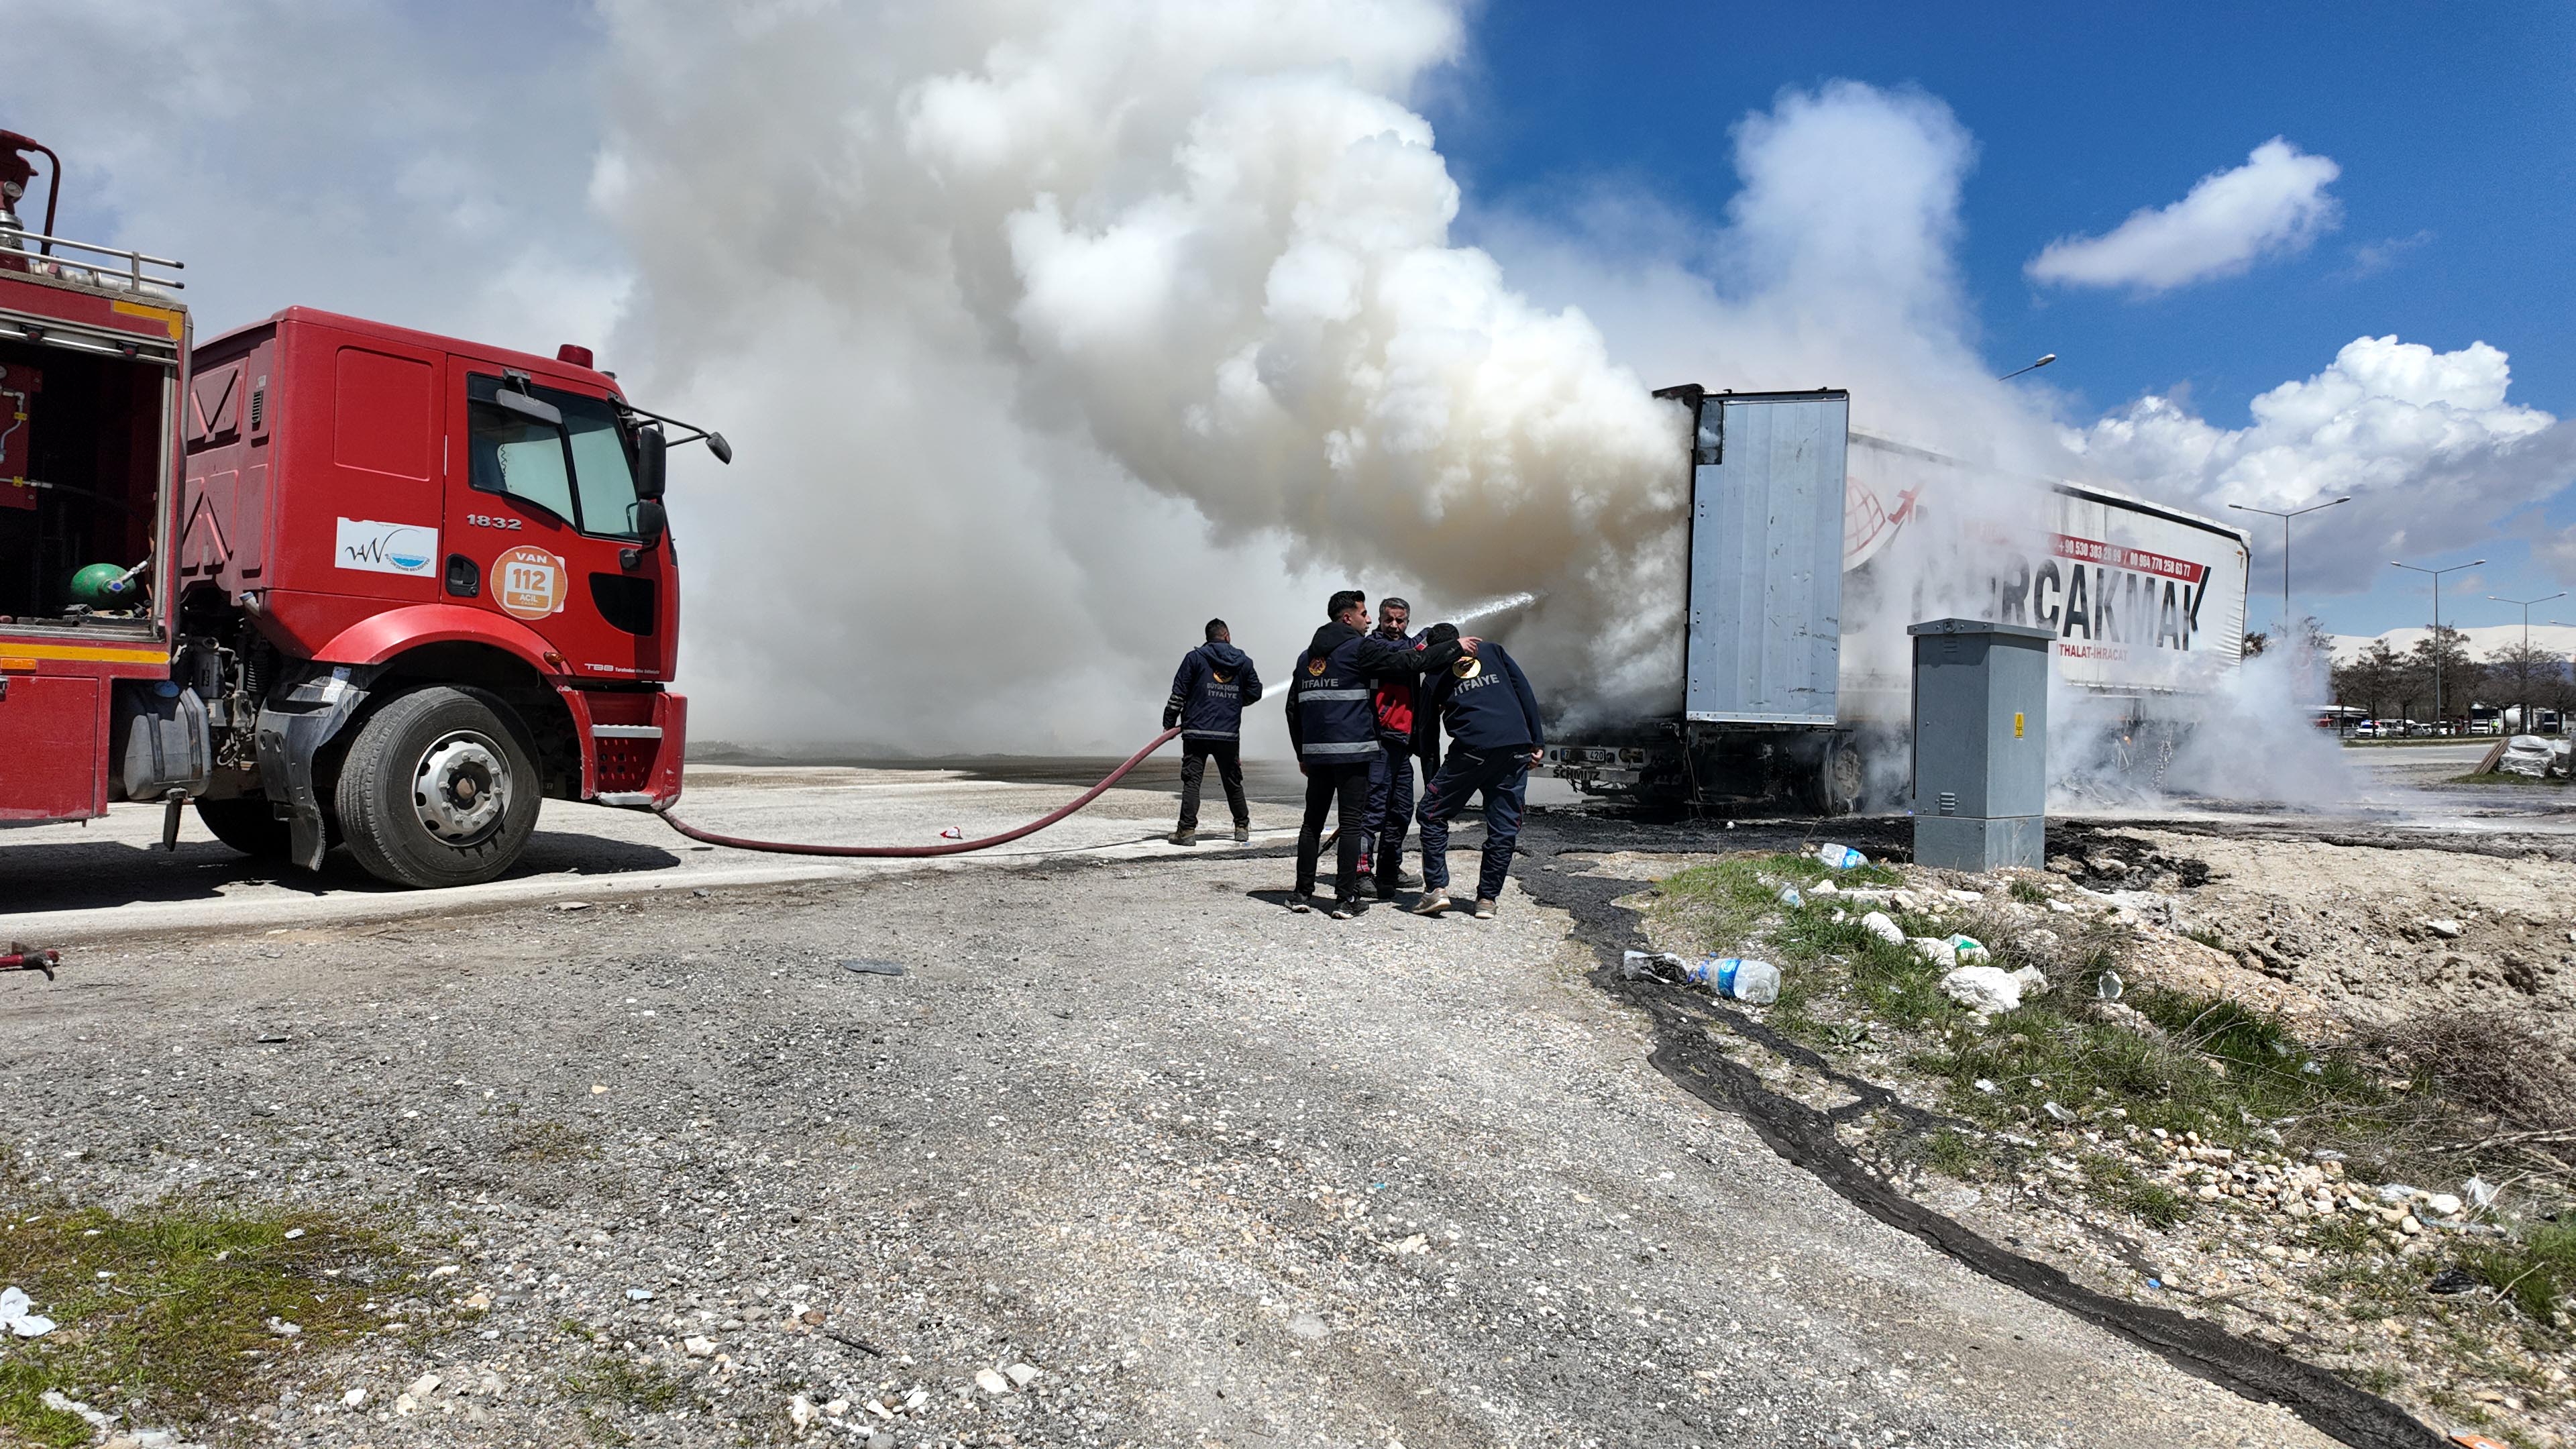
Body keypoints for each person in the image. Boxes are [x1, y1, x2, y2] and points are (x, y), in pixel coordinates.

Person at [1284, 590, 1460, 916]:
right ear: (1348, 618)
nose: (1369, 621)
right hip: (1357, 752)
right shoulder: (1361, 648)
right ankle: (1346, 898)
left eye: (1399, 620)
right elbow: (1410, 660)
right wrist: (1453, 647)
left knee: (1313, 824)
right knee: (1355, 824)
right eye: (1367, 615)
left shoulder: (1306, 657)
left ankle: (1301, 895)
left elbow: (1292, 709)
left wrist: (1303, 754)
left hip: (1321, 756)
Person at [1409, 622, 1544, 920]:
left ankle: (1436, 890)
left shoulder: (1432, 676)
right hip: (1515, 746)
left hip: (1471, 750)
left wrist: (1433, 784)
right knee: (1504, 826)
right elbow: (1524, 691)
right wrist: (1537, 740)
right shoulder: (1493, 652)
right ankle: (1487, 900)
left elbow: (1427, 735)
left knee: (1431, 814)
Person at [1163, 619, 1263, 847]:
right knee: (1232, 781)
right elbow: (1255, 692)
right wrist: (1234, 703)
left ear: (1208, 637)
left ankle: (1187, 831)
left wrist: (1169, 723)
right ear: (1226, 635)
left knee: (1192, 781)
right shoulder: (1244, 662)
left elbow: (1178, 693)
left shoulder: (1194, 658)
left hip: (1196, 732)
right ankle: (1241, 827)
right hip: (1228, 734)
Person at [1356, 596, 1424, 898]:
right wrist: (1427, 638)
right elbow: (1403, 654)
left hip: (1402, 745)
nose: (1394, 626)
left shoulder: (1412, 648)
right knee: (1372, 811)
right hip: (1379, 741)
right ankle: (1360, 873)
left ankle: (1388, 870)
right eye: (1389, 620)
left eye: (1401, 621)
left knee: (1400, 811)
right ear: (1380, 620)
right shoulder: (1375, 647)